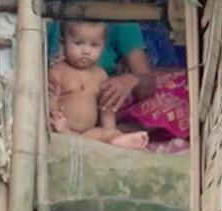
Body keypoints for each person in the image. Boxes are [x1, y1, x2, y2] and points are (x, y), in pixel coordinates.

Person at [47, 21, 150, 149]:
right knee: (55, 128)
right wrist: (55, 113)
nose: (86, 51)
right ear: (63, 43)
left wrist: (109, 130)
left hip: (89, 133)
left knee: (111, 133)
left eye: (94, 45)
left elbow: (106, 107)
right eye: (78, 43)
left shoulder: (101, 75)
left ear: (103, 45)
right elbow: (51, 97)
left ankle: (117, 141)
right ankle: (64, 132)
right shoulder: (58, 71)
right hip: (63, 127)